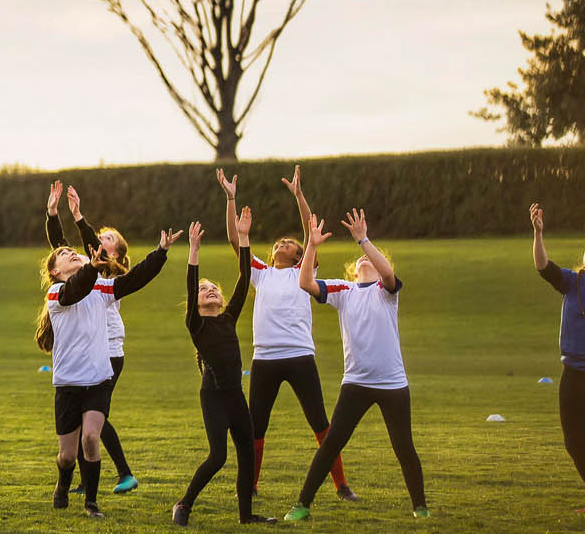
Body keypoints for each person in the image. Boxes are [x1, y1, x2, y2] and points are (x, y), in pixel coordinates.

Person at [283, 212, 428, 521]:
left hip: (392, 384)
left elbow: (388, 274)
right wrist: (311, 244)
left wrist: (363, 239)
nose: (364, 261)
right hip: (356, 384)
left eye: (371, 260)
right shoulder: (343, 291)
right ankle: (302, 504)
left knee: (404, 447)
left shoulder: (386, 293)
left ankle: (420, 508)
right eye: (361, 259)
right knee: (332, 443)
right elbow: (305, 281)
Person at [219, 169, 354, 501]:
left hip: (299, 356)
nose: (282, 243)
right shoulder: (260, 274)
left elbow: (311, 233)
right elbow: (235, 240)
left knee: (321, 423)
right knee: (256, 428)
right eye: (279, 242)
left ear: (298, 255)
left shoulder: (301, 270)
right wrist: (231, 199)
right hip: (264, 359)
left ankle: (341, 485)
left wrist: (299, 195)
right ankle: (249, 487)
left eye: (289, 244)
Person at [36, 221, 179, 519]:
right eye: (63, 253)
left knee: (91, 439)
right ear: (54, 271)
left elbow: (135, 279)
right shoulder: (57, 295)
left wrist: (161, 252)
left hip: (99, 379)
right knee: (66, 455)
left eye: (73, 250)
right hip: (68, 385)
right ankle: (63, 484)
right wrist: (91, 267)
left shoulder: (101, 287)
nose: (70, 252)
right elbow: (76, 290)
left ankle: (91, 503)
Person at [172, 214, 274, 525]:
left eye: (214, 288)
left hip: (235, 397)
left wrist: (244, 238)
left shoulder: (228, 318)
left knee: (247, 453)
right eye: (205, 291)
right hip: (213, 397)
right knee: (218, 457)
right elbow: (191, 286)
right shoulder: (197, 325)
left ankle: (246, 516)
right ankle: (183, 505)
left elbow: (245, 278)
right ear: (197, 302)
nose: (211, 291)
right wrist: (193, 250)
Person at [47, 181, 138, 494]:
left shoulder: (111, 271)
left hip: (109, 349)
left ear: (115, 251)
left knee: (94, 419)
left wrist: (79, 217)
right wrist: (52, 214)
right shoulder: (86, 268)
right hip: (93, 348)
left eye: (107, 238)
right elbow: (59, 248)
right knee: (91, 420)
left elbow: (85, 244)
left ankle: (122, 473)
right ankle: (89, 482)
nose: (100, 239)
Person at [529, 203, 585, 488]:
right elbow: (542, 266)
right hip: (572, 375)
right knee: (574, 442)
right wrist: (538, 234)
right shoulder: (572, 282)